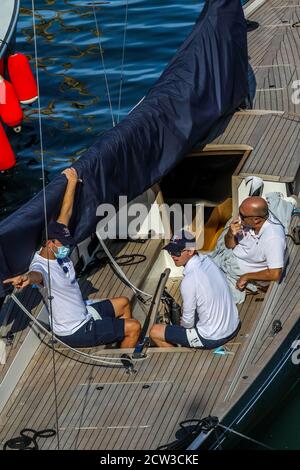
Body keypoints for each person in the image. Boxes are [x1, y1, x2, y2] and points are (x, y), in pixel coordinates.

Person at [4, 167, 141, 349]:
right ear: (50, 244)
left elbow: (66, 212)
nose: (67, 247)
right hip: (75, 330)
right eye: (63, 244)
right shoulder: (42, 268)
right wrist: (26, 278)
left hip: (84, 311)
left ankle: (118, 341)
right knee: (134, 327)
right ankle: (125, 358)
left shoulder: (56, 237)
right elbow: (35, 275)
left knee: (124, 303)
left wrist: (72, 181)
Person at [150, 230, 240, 349]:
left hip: (211, 338)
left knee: (154, 331)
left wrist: (181, 325)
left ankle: (177, 358)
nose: (173, 256)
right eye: (170, 251)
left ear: (191, 251)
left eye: (177, 252)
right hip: (234, 325)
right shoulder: (208, 262)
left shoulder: (189, 281)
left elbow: (188, 323)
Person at [224, 196, 286, 292]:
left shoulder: (273, 238)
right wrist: (230, 234)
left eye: (242, 216)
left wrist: (247, 276)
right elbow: (229, 245)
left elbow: (275, 274)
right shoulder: (247, 223)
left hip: (240, 269)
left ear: (256, 220)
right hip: (231, 256)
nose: (238, 217)